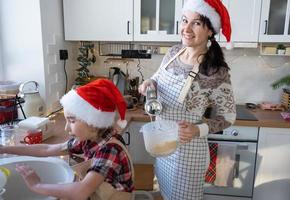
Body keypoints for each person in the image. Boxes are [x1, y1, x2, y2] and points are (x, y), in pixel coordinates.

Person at [138, 0, 236, 199]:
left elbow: (229, 116)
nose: (187, 29)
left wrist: (197, 129)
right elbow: (157, 80)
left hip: (187, 154)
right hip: (163, 147)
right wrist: (149, 84)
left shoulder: (215, 70)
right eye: (185, 21)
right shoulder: (174, 52)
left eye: (197, 23)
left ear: (210, 30)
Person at [0, 79, 134, 200]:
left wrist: (37, 185)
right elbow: (48, 148)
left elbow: (81, 191)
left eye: (72, 121)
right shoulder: (90, 139)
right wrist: (4, 149)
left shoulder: (109, 150)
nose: (66, 128)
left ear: (92, 122)